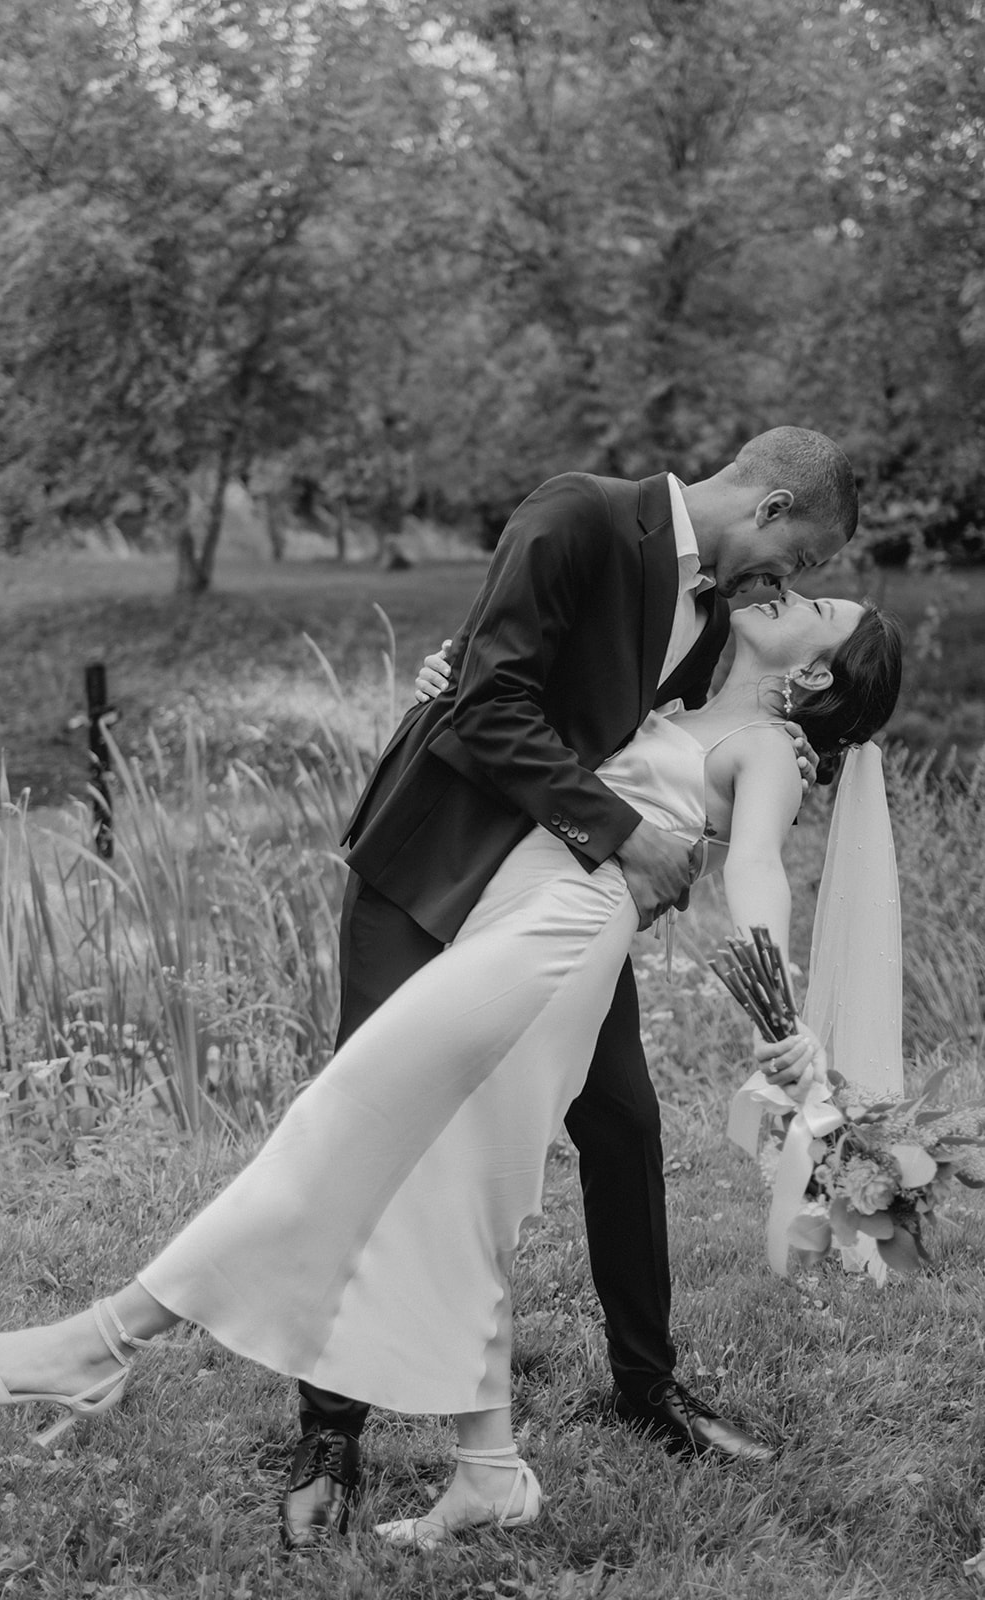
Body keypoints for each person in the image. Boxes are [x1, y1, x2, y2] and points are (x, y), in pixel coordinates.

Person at [0, 599, 901, 1548]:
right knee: (458, 1195)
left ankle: (99, 1344)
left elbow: (759, 868)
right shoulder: (687, 696)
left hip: (554, 945)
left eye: (814, 604)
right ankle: (488, 1470)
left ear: (811, 673)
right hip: (510, 917)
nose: (787, 591)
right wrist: (456, 686)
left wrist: (778, 1002)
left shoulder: (770, 748)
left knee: (341, 1118)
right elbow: (541, 727)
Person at [279, 425, 860, 1545]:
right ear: (774, 503)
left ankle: (646, 1385)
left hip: (550, 894)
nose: (787, 583)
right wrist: (625, 836)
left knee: (623, 1120)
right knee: (369, 1124)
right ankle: (329, 1427)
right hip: (433, 865)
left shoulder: (709, 615)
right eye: (802, 557)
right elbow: (489, 701)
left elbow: (636, 727)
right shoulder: (578, 512)